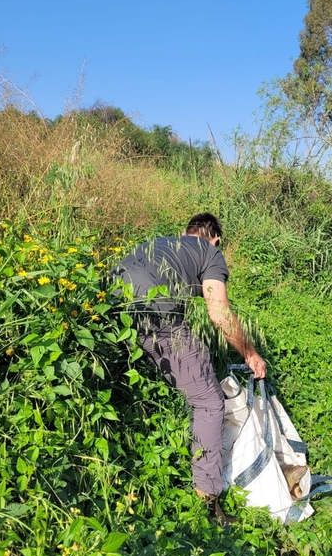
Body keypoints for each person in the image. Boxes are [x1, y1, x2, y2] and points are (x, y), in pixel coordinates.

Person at [111, 212, 266, 524]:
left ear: (186, 232)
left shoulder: (161, 244)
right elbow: (219, 313)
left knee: (187, 360)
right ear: (214, 239)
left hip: (109, 297)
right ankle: (207, 502)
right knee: (209, 402)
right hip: (154, 309)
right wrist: (249, 353)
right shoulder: (211, 253)